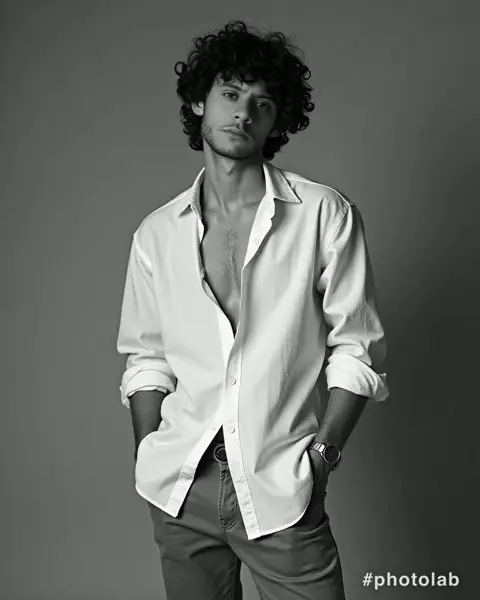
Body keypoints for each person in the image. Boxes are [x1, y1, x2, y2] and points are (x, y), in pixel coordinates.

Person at [116, 19, 388, 600]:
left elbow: (357, 348)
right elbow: (146, 358)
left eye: (262, 103)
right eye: (231, 93)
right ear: (199, 100)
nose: (243, 112)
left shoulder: (324, 215)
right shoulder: (156, 234)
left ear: (276, 121)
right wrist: (148, 451)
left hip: (279, 484)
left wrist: (322, 456)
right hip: (180, 486)